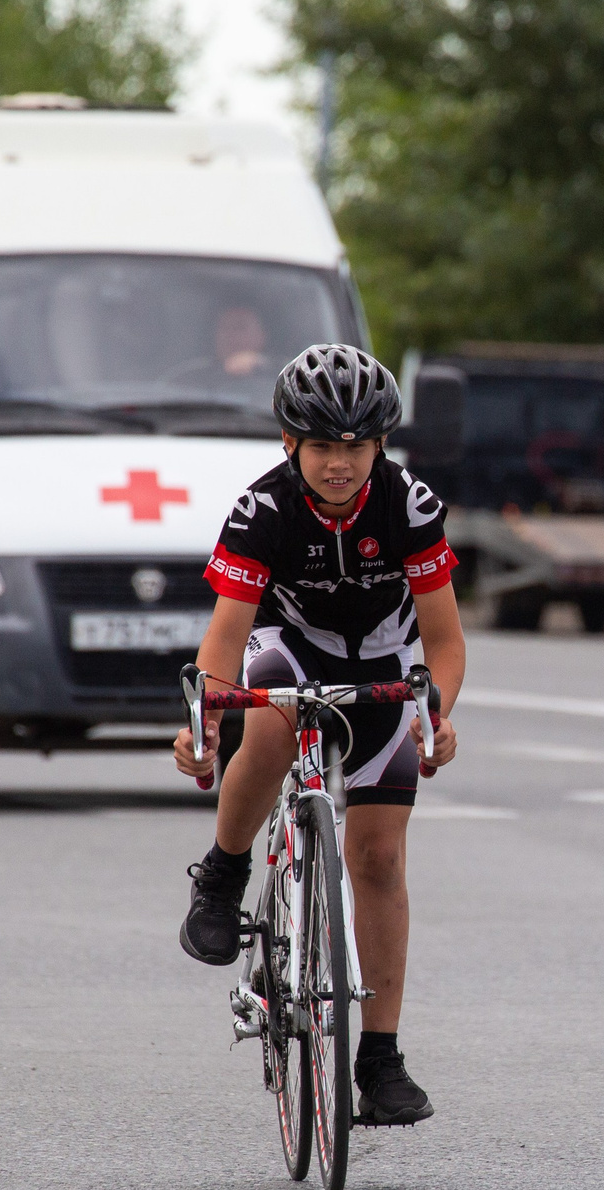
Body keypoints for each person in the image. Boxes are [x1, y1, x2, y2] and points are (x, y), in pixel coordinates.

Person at [173, 344, 463, 1126]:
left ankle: (380, 1057)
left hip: (385, 665)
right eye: (324, 446)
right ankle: (224, 875)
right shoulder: (263, 509)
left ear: (380, 447)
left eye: (357, 446)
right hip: (292, 652)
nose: (341, 464)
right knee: (266, 723)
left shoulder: (409, 504)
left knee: (378, 855)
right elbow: (226, 636)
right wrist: (203, 723)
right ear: (289, 444)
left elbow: (443, 641)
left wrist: (437, 714)